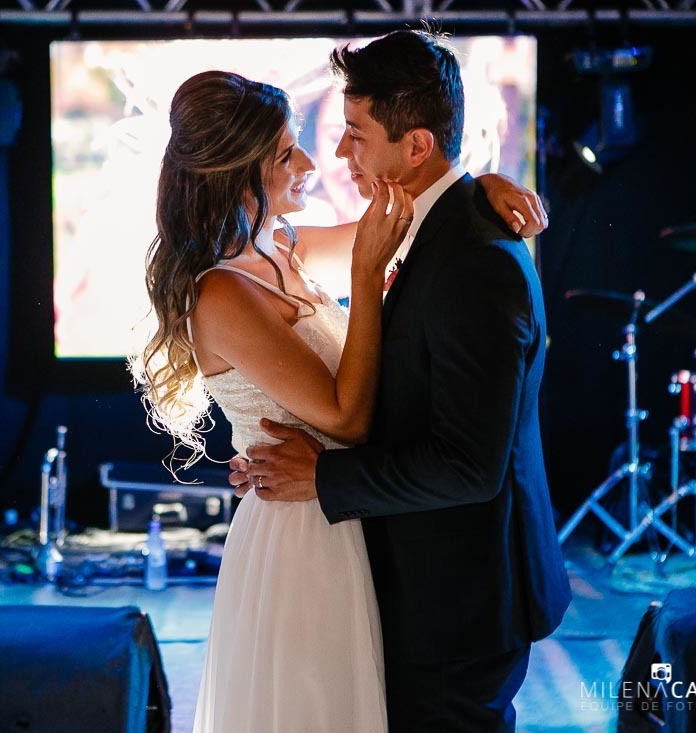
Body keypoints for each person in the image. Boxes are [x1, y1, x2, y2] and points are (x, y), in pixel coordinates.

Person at [133, 69, 547, 733]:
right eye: (283, 155)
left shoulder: (283, 248)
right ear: (236, 175)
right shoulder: (222, 294)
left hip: (343, 515)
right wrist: (363, 273)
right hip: (301, 538)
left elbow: (416, 220)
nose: (308, 164)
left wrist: (481, 188)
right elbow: (347, 419)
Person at [231, 30, 571, 733]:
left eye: (356, 134)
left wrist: (323, 477)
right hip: (413, 583)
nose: (338, 153)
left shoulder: (475, 261)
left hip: (459, 600)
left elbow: (469, 467)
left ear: (416, 146)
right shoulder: (424, 224)